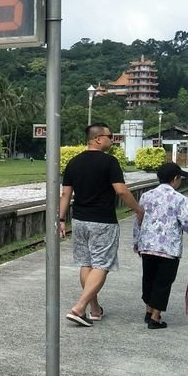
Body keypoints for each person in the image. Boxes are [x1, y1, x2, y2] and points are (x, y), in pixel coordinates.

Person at [59, 123, 146, 327]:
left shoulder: (73, 162)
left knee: (86, 264)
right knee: (101, 265)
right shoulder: (109, 162)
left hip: (79, 220)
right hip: (103, 221)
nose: (112, 139)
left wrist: (61, 219)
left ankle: (94, 309)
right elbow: (122, 191)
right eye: (110, 136)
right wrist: (139, 210)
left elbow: (65, 194)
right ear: (98, 139)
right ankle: (79, 308)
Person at [133, 162, 188, 329]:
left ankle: (149, 310)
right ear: (175, 179)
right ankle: (155, 318)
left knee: (148, 278)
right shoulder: (180, 199)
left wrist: (136, 242)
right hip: (168, 248)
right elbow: (186, 222)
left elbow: (138, 220)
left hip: (147, 245)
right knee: (163, 282)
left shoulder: (146, 196)